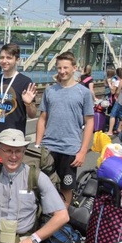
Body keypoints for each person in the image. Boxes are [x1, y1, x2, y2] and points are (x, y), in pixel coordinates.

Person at [35, 52, 94, 207]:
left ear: (74, 68)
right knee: (42, 186)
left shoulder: (84, 93)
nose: (62, 71)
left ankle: (61, 224)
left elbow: (89, 122)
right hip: (48, 148)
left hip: (70, 149)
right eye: (59, 67)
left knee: (66, 189)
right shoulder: (50, 91)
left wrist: (82, 151)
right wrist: (37, 145)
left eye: (66, 67)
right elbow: (42, 119)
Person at [0, 43, 37, 143]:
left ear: (17, 60)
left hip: (14, 139)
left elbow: (33, 115)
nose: (4, 61)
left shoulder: (25, 82)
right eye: (2, 57)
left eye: (9, 58)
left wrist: (28, 103)